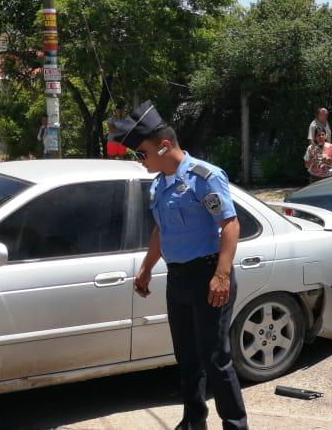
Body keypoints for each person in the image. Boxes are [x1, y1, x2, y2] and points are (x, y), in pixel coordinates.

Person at [110, 101, 248, 430]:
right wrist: (146, 269)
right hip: (179, 279)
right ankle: (193, 422)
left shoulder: (204, 177)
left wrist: (221, 275)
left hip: (208, 276)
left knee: (215, 359)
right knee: (186, 357)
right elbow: (161, 231)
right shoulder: (160, 184)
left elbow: (230, 224)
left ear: (164, 145)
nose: (139, 160)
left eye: (141, 153)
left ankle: (235, 425)